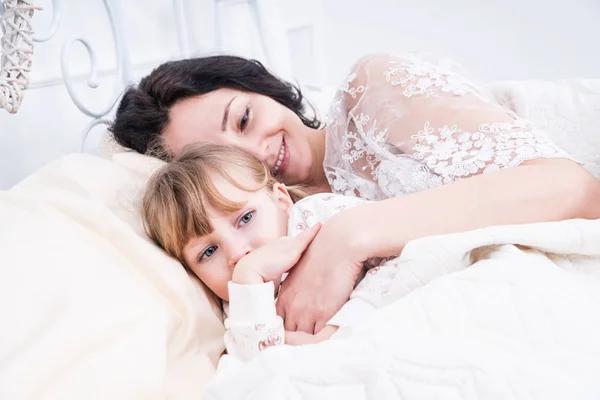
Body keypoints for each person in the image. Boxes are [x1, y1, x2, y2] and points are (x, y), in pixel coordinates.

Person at [111, 52, 600, 334]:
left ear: (266, 90)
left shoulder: (372, 91)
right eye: (225, 158)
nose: (256, 152)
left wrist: (352, 234)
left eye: (244, 119)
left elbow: (575, 190)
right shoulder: (270, 232)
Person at [141, 143, 401, 361]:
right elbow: (257, 369)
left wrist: (342, 328)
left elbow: (402, 257)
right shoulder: (237, 306)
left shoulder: (317, 217)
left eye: (245, 219)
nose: (238, 252)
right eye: (208, 252)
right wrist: (248, 277)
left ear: (281, 200)